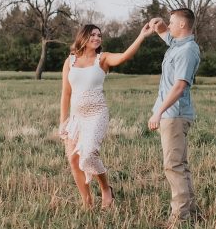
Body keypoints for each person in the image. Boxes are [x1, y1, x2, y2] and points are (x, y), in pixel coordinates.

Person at [59, 22, 154, 209]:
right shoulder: (70, 61)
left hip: (96, 114)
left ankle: (105, 189)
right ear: (83, 37)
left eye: (99, 36)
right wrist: (63, 121)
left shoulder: (103, 59)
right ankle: (87, 202)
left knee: (88, 155)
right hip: (76, 118)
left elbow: (125, 55)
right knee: (73, 160)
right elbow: (66, 93)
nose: (97, 38)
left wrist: (141, 36)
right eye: (93, 35)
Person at [147, 9, 202, 222]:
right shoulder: (178, 45)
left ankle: (180, 217)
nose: (169, 26)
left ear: (182, 25)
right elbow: (166, 35)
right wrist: (159, 25)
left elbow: (179, 87)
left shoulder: (187, 51)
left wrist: (158, 112)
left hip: (174, 115)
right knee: (180, 164)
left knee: (173, 166)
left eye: (171, 22)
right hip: (172, 114)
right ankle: (191, 212)